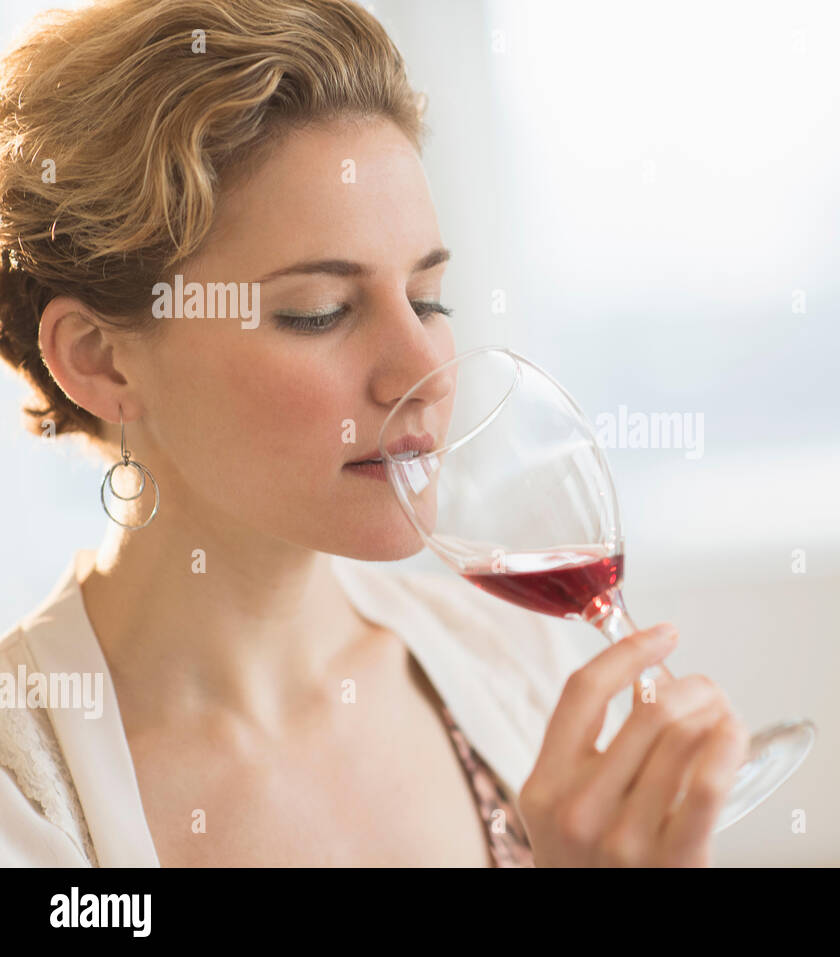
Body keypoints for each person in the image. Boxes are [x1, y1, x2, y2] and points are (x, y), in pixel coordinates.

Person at [0, 0, 747, 867]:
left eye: (428, 300)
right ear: (100, 360)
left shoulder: (510, 656)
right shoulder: (26, 806)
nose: (417, 372)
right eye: (319, 313)